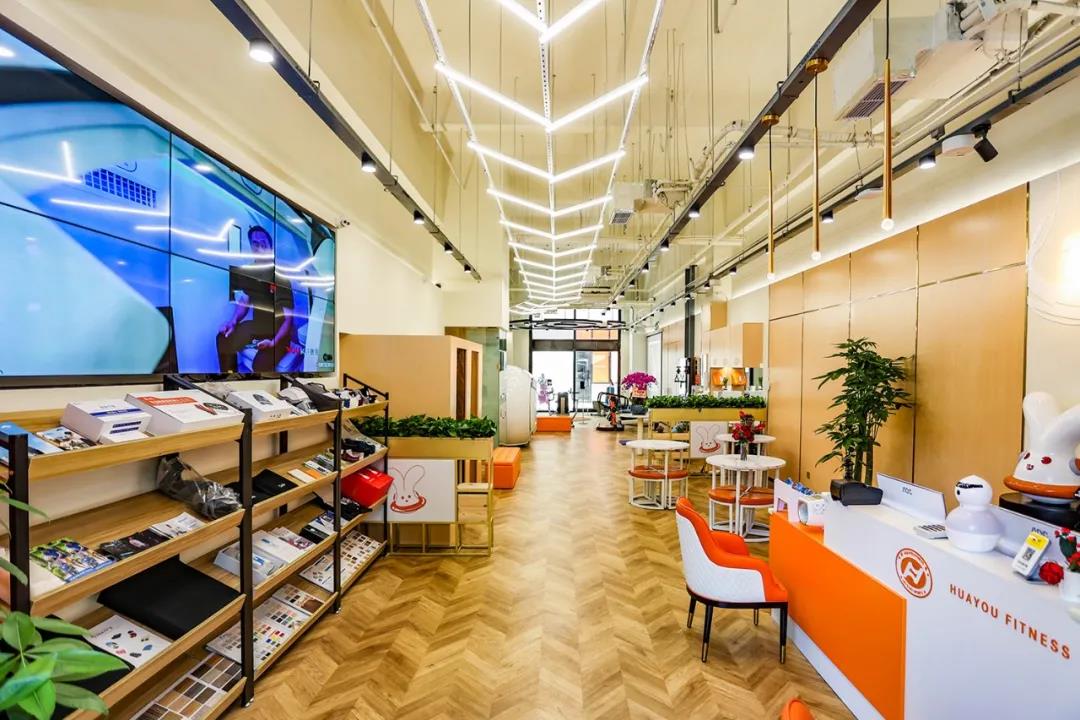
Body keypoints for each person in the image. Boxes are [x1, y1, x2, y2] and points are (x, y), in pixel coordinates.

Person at [216, 225, 293, 372]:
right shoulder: (250, 274)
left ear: (271, 248)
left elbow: (288, 320)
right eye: (255, 244)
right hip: (258, 326)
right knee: (223, 338)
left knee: (260, 364)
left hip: (279, 331)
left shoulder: (281, 277)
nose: (260, 248)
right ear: (251, 247)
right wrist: (233, 322)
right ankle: (229, 377)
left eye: (264, 244)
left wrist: (273, 342)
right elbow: (244, 301)